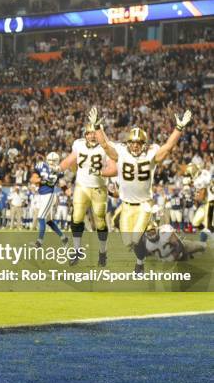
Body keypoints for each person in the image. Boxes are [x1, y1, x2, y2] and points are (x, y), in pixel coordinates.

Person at [92, 107, 192, 273]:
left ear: (144, 144)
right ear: (128, 142)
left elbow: (167, 147)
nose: (135, 146)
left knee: (136, 238)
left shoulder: (151, 153)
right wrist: (97, 128)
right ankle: (152, 244)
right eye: (132, 142)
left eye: (138, 143)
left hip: (144, 204)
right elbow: (104, 144)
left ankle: (149, 254)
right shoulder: (122, 152)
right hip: (126, 205)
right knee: (127, 242)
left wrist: (179, 128)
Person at [59, 122, 115, 266]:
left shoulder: (106, 147)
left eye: (94, 133)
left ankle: (103, 252)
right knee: (76, 218)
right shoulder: (78, 144)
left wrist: (102, 172)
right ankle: (77, 251)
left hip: (99, 188)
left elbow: (113, 168)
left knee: (100, 221)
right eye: (89, 133)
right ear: (85, 134)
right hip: (82, 187)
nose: (92, 136)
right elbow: (70, 160)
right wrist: (58, 169)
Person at [30, 152, 69, 247]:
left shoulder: (59, 170)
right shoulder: (40, 166)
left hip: (49, 195)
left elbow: (62, 183)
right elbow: (32, 179)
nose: (52, 162)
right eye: (50, 161)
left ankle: (39, 242)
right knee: (48, 221)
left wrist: (67, 191)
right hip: (41, 195)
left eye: (54, 161)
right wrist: (41, 180)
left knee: (40, 217)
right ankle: (63, 237)